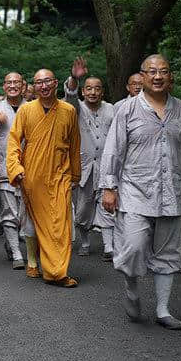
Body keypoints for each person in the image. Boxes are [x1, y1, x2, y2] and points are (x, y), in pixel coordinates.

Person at [100, 54, 181, 330]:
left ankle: (163, 310)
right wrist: (108, 187)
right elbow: (113, 149)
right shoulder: (126, 110)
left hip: (171, 191)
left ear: (170, 76)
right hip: (135, 190)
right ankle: (132, 288)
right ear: (143, 76)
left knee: (168, 253)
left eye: (163, 71)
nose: (158, 76)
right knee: (134, 246)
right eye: (152, 72)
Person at [7, 69, 81, 287]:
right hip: (33, 175)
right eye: (38, 82)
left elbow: (75, 145)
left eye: (47, 81)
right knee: (32, 221)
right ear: (33, 86)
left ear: (56, 83)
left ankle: (56, 271)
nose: (43, 85)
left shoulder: (68, 110)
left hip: (61, 175)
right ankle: (33, 262)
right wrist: (15, 168)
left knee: (61, 223)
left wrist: (75, 174)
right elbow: (13, 142)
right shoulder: (26, 110)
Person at [64, 57, 116, 261]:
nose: (93, 92)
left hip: (106, 166)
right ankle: (85, 241)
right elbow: (69, 96)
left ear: (102, 92)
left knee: (107, 205)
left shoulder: (112, 109)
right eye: (89, 88)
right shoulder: (75, 109)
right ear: (84, 91)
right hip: (83, 167)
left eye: (97, 89)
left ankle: (109, 246)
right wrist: (74, 80)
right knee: (83, 208)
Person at [0, 72, 26, 270]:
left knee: (24, 214)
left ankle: (11, 242)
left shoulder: (32, 107)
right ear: (4, 87)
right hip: (4, 169)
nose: (13, 85)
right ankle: (17, 253)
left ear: (23, 85)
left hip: (29, 169)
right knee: (9, 212)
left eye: (17, 82)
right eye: (9, 83)